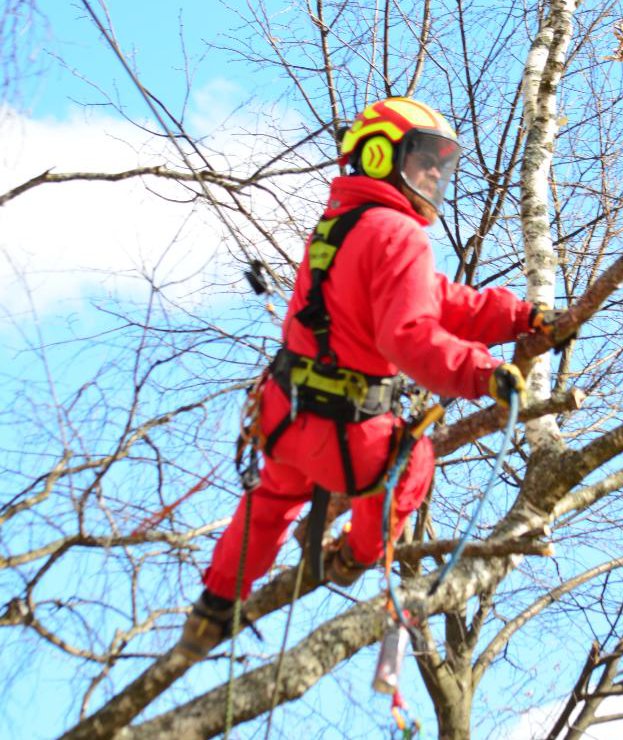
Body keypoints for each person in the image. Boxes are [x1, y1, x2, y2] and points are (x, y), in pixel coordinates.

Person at [177, 97, 564, 659]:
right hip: (349, 437)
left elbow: (437, 299)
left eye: (440, 164)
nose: (435, 174)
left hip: (285, 417)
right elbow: (408, 335)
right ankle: (355, 554)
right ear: (381, 155)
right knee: (413, 465)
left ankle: (213, 607)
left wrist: (518, 318)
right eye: (423, 158)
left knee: (268, 507)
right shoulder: (399, 234)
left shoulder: (340, 226)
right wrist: (483, 374)